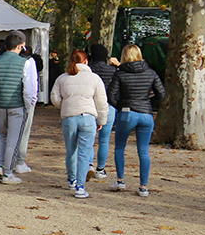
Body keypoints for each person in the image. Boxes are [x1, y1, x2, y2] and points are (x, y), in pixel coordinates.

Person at [108, 44, 166, 197]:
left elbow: (111, 95)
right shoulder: (151, 73)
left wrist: (121, 106)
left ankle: (120, 180)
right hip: (146, 113)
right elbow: (161, 94)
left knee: (120, 147)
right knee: (143, 151)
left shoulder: (120, 74)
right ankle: (143, 187)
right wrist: (149, 104)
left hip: (127, 113)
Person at [50, 49, 108, 199]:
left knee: (71, 150)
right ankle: (80, 186)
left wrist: (64, 105)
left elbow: (54, 97)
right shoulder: (94, 78)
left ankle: (71, 179)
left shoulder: (62, 78)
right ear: (86, 61)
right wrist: (102, 120)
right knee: (84, 152)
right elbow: (101, 102)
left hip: (69, 117)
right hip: (88, 117)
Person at [0, 31, 38, 184]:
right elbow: (29, 89)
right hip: (17, 104)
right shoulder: (25, 62)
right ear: (21, 46)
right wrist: (28, 106)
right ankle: (8, 172)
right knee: (13, 139)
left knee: (1, 136)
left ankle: (0, 166)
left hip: (0, 104)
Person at [86, 43, 118, 180]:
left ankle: (88, 165)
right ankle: (101, 169)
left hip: (89, 106)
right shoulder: (113, 71)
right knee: (104, 140)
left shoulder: (88, 70)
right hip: (108, 106)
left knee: (88, 139)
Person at [12, 44, 43, 173]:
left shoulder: (3, 60)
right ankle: (19, 161)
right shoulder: (30, 62)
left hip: (8, 100)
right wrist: (31, 101)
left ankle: (0, 162)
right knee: (24, 132)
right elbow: (32, 84)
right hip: (24, 100)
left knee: (4, 133)